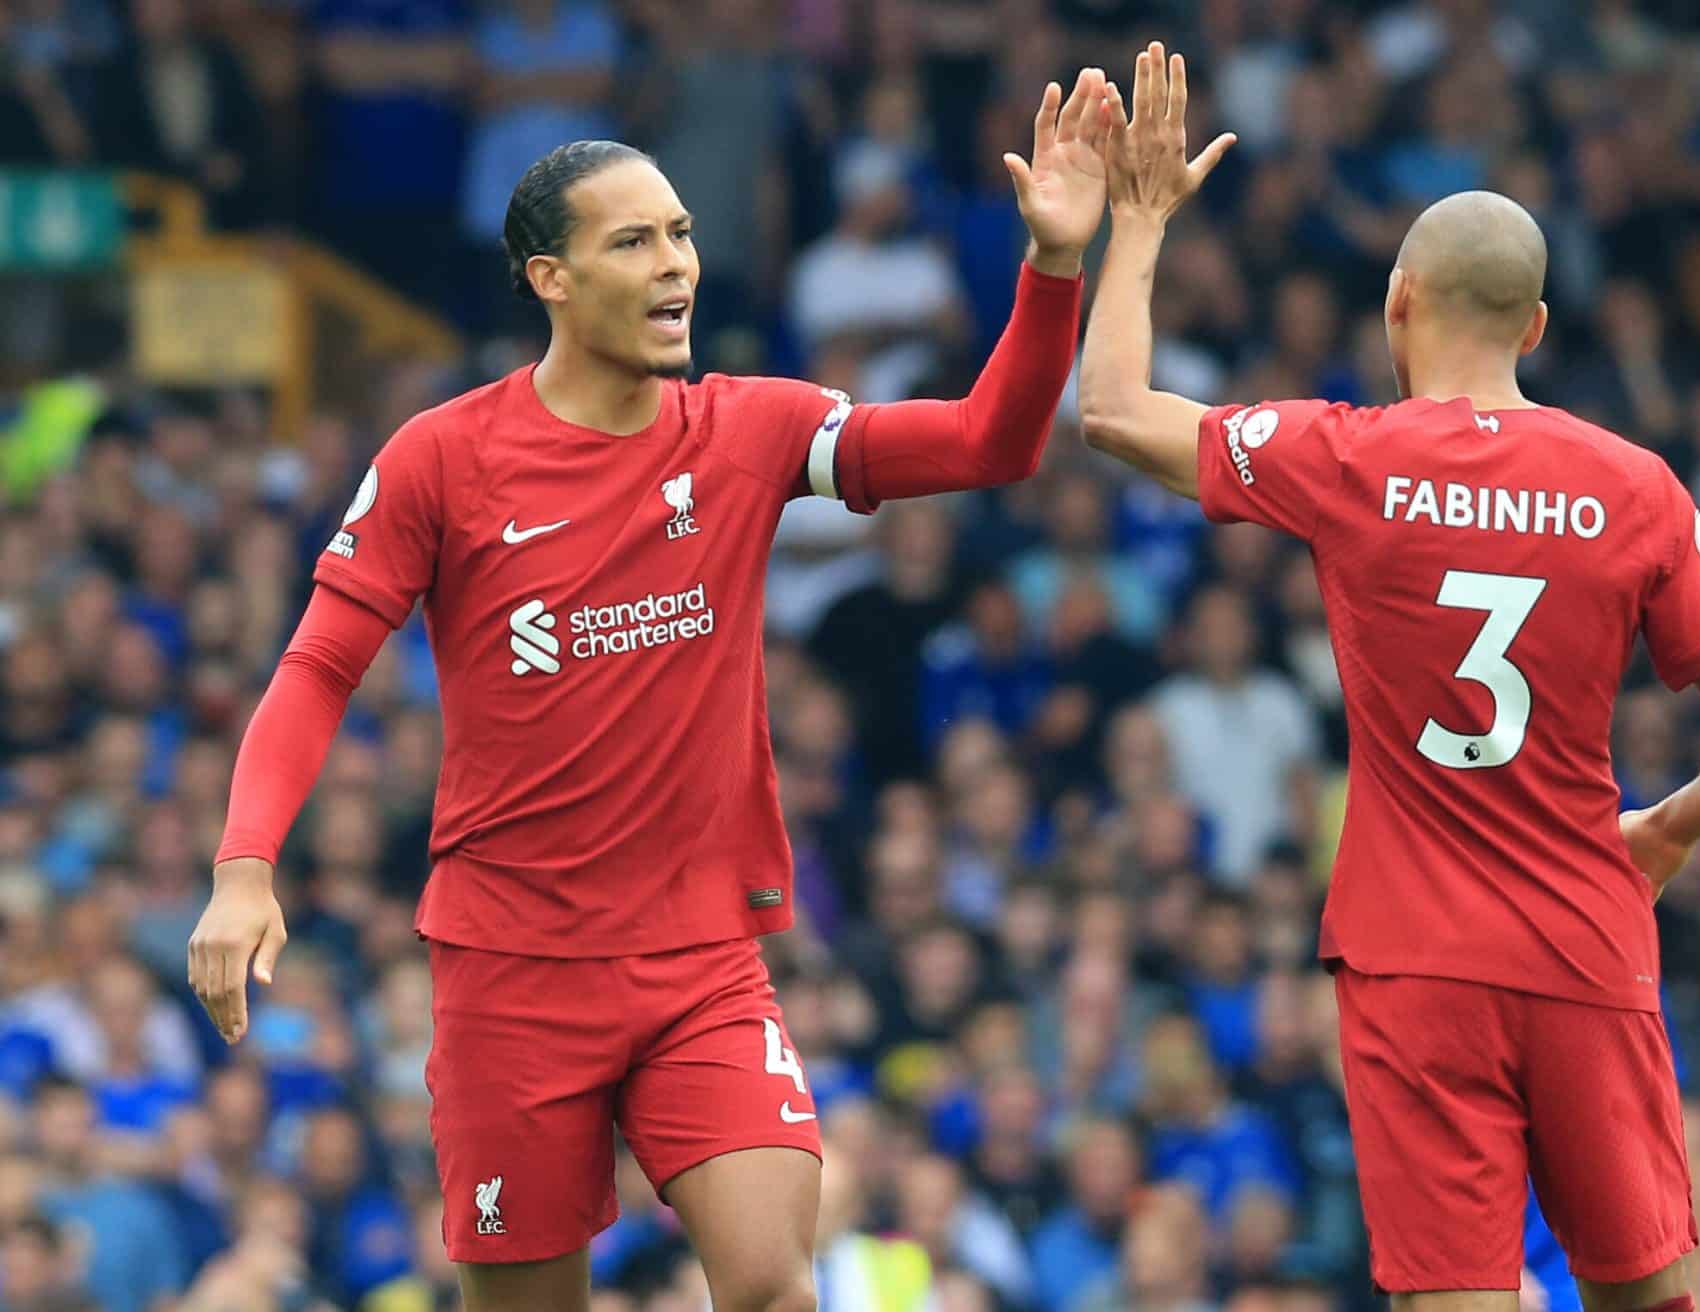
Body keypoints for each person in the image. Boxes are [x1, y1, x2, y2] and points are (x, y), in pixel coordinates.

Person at [186, 66, 1113, 1312]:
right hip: (509, 971)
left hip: (698, 962)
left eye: (679, 232)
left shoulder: (748, 428)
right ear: (549, 279)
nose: (676, 262)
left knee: (775, 1284)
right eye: (634, 240)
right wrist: (246, 867)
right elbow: (315, 667)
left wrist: (1052, 264)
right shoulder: (442, 458)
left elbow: (990, 439)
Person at [1077, 42, 1700, 1312]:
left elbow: (1110, 410)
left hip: (1414, 962)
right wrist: (1668, 830)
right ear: (1533, 324)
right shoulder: (1634, 484)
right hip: (1586, 940)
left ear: (1397, 302)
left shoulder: (1347, 458)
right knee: (1647, 1292)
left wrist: (1135, 223)